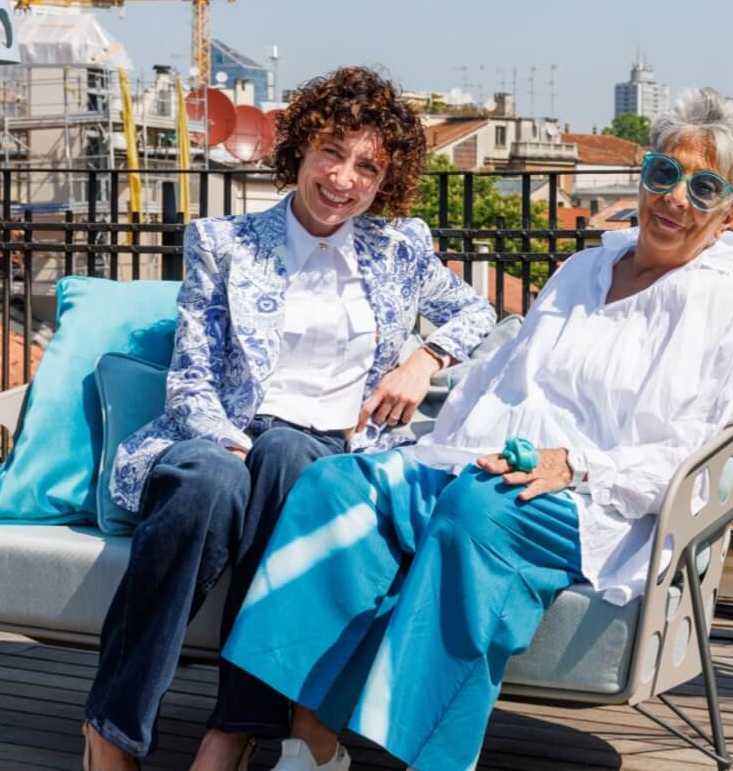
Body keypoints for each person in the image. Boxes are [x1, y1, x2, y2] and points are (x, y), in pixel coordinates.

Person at [219, 89, 733, 771]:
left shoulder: (731, 315)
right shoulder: (583, 270)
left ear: (731, 213)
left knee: (476, 509)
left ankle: (427, 759)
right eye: (664, 173)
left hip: (593, 502)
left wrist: (572, 464)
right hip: (479, 463)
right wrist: (428, 452)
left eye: (704, 187)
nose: (675, 199)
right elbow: (498, 376)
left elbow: (697, 455)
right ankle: (310, 747)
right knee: (336, 484)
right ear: (646, 174)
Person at [83, 67, 497, 771]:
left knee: (292, 461)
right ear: (301, 149)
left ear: (383, 181)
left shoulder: (399, 247)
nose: (344, 179)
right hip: (221, 437)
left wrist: (422, 359)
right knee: (212, 484)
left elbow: (475, 312)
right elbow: (189, 376)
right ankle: (112, 732)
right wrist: (226, 440)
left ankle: (233, 730)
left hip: (330, 453)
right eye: (332, 154)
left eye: (367, 166)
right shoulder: (226, 242)